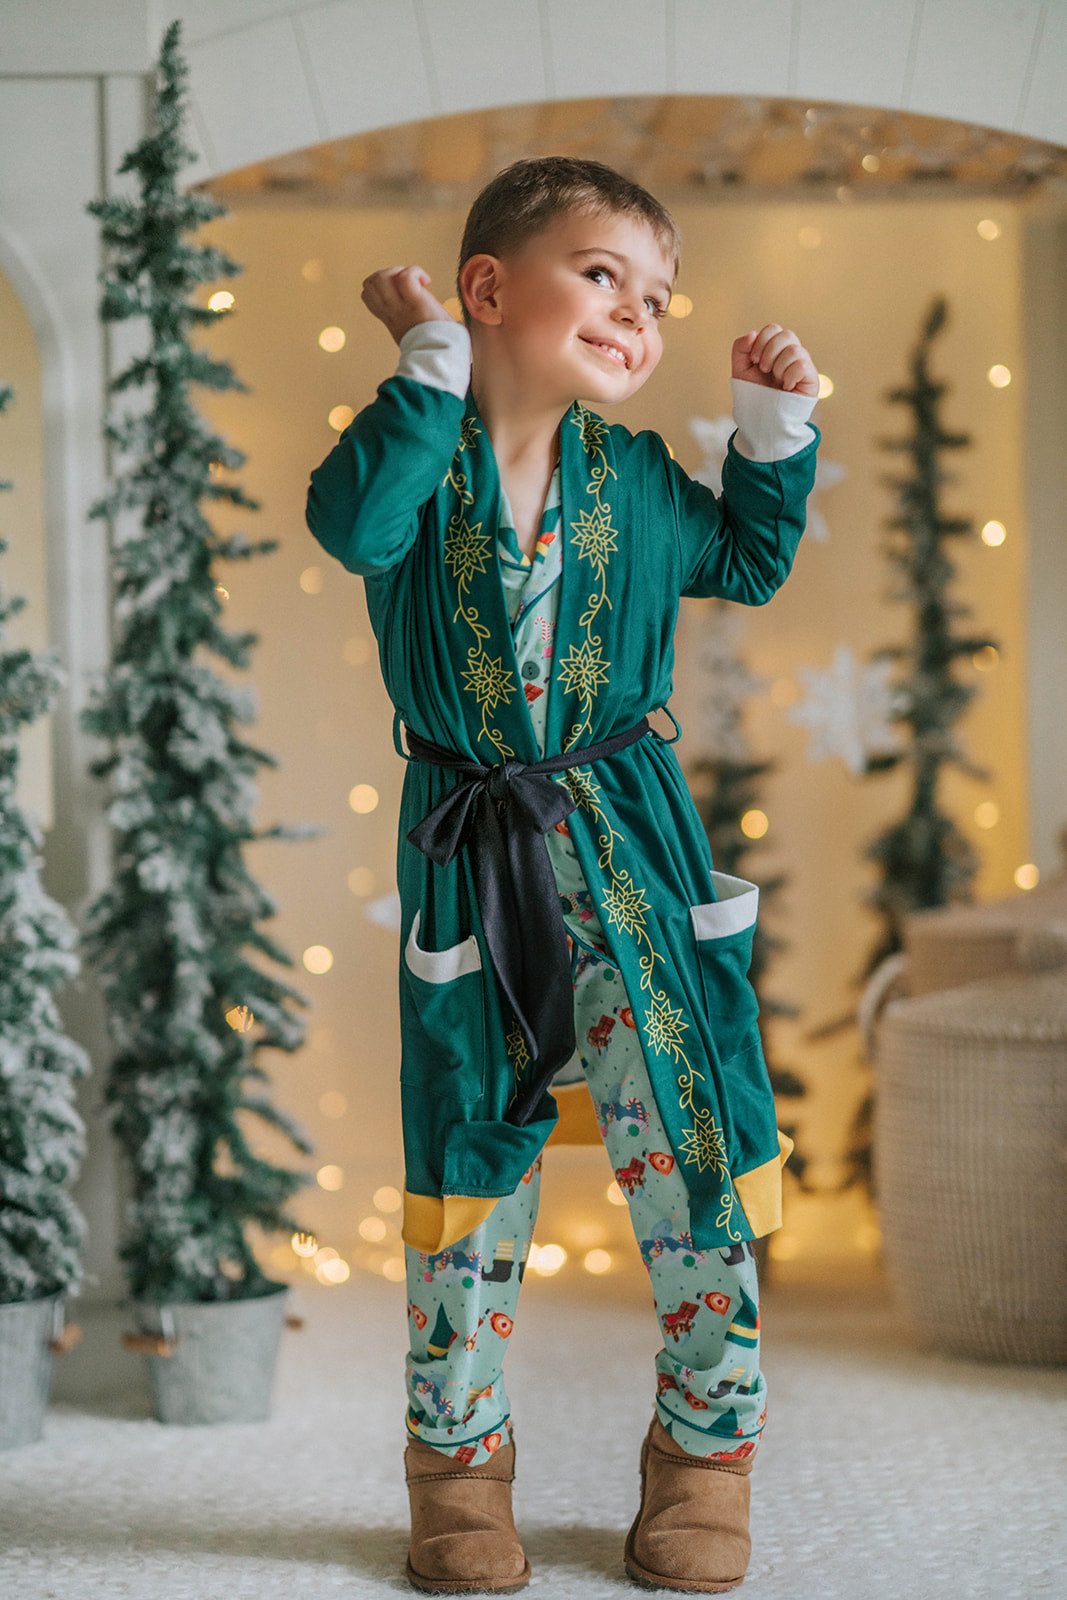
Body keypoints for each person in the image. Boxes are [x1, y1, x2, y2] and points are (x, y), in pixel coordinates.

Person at [305, 156, 819, 1595]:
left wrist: (777, 423)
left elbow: (756, 559)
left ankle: (708, 1453)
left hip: (637, 848)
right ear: (488, 291)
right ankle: (458, 1466)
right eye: (605, 276)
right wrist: (425, 367)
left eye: (657, 299)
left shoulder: (645, 480)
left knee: (697, 1148)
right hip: (476, 860)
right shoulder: (418, 463)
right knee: (471, 1165)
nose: (639, 317)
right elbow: (350, 526)